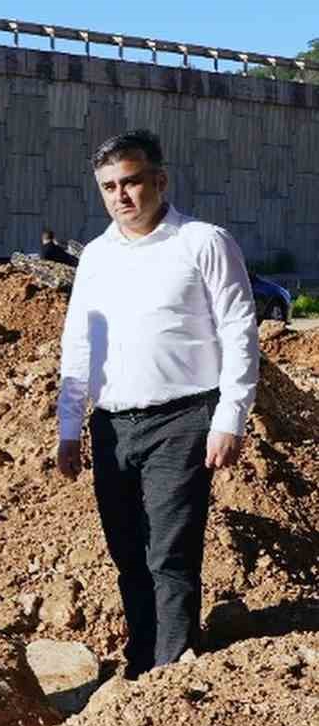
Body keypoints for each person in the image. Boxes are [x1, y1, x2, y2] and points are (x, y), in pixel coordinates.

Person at [56, 129, 259, 676]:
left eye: (131, 181)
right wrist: (69, 427)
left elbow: (240, 331)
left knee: (168, 551)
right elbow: (79, 341)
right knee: (128, 553)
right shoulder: (96, 257)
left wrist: (230, 417)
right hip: (112, 425)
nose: (121, 195)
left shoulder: (204, 242)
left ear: (159, 180)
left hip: (183, 419)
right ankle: (141, 658)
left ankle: (170, 670)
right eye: (108, 187)